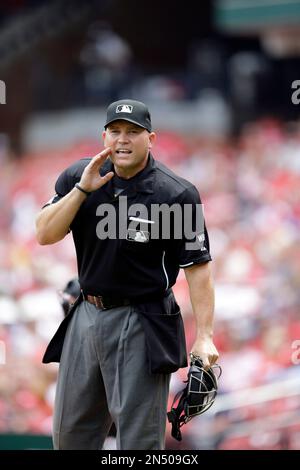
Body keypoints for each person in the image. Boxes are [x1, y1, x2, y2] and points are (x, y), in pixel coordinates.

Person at [35, 99, 219, 450]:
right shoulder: (79, 175)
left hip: (142, 319)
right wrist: (83, 189)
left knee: (138, 442)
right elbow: (45, 234)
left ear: (151, 139)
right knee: (69, 437)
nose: (123, 139)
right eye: (116, 131)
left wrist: (205, 336)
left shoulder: (175, 194)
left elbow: (198, 267)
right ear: (104, 136)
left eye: (133, 132)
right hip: (86, 314)